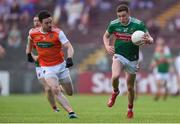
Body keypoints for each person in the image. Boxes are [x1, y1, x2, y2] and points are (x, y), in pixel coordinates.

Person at [103, 4, 153, 119]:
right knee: (115, 76)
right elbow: (105, 36)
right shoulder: (113, 24)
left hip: (133, 59)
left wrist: (148, 40)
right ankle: (115, 92)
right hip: (119, 55)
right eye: (119, 16)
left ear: (128, 14)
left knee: (130, 87)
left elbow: (150, 38)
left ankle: (130, 109)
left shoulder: (138, 24)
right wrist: (107, 46)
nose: (121, 19)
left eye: (123, 16)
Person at [27, 10, 77, 119]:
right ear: (40, 23)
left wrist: (69, 58)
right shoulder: (33, 33)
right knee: (54, 89)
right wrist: (28, 54)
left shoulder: (58, 32)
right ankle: (71, 112)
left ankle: (60, 86)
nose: (50, 25)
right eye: (47, 23)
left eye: (51, 22)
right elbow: (29, 42)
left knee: (70, 92)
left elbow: (69, 46)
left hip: (61, 66)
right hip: (46, 67)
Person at [26, 16, 60, 112]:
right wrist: (32, 56)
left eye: (37, 21)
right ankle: (55, 108)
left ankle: (59, 89)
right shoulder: (32, 33)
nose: (36, 22)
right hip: (39, 66)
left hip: (52, 64)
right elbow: (28, 48)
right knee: (48, 88)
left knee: (53, 87)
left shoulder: (50, 32)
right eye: (34, 21)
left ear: (42, 22)